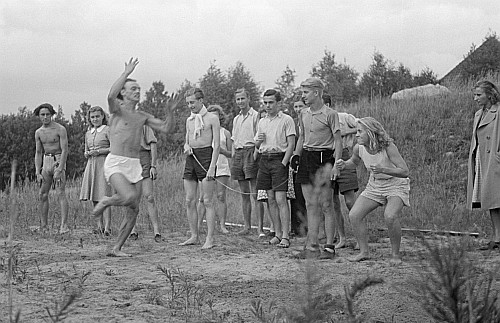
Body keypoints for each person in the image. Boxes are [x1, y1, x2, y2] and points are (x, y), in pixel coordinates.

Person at [92, 57, 177, 257]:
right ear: (124, 92)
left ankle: (116, 248)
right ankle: (106, 201)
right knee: (128, 196)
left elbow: (166, 128)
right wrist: (126, 74)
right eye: (133, 89)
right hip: (116, 163)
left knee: (134, 209)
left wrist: (171, 113)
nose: (138, 91)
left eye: (139, 89)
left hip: (135, 165)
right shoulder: (117, 111)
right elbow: (111, 95)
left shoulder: (143, 116)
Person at [336, 117, 410, 264]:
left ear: (370, 132)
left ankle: (395, 254)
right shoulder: (359, 147)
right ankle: (364, 252)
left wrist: (384, 169)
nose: (356, 135)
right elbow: (354, 162)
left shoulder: (388, 147)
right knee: (354, 215)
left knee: (390, 216)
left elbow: (404, 171)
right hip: (374, 185)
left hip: (396, 184)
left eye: (359, 131)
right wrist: (344, 164)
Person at [293, 78, 342, 259]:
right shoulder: (303, 113)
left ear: (316, 92)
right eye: (302, 92)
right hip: (307, 156)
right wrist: (296, 156)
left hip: (324, 158)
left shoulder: (331, 114)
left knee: (327, 204)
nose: (303, 96)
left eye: (305, 92)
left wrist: (336, 164)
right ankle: (312, 246)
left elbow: (338, 141)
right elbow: (302, 137)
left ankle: (329, 247)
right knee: (309, 204)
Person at [255, 89, 296, 248]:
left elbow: (291, 143)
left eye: (271, 102)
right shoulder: (262, 121)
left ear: (278, 103)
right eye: (265, 102)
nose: (267, 106)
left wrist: (284, 163)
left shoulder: (287, 120)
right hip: (265, 159)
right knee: (270, 198)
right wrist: (259, 141)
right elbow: (257, 145)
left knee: (281, 199)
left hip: (280, 158)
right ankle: (277, 233)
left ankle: (286, 235)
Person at [180, 88, 220, 249]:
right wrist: (186, 146)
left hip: (206, 156)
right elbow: (186, 140)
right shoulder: (189, 120)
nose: (190, 106)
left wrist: (212, 167)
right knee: (190, 199)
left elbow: (216, 145)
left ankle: (209, 238)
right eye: (188, 103)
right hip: (191, 157)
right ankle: (194, 235)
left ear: (201, 100)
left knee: (207, 200)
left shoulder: (212, 118)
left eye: (193, 102)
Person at [322, 94, 359, 249]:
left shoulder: (343, 117)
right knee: (333, 202)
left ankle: (359, 238)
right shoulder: (315, 119)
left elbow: (363, 126)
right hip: (326, 157)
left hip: (343, 154)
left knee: (350, 201)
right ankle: (342, 238)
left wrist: (343, 133)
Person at [467, 80, 500, 250]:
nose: (475, 98)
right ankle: (497, 237)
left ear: (489, 94)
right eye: (475, 95)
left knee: (497, 198)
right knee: (490, 199)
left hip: (494, 159)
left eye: (479, 95)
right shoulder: (479, 114)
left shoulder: (499, 111)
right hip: (482, 158)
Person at [231, 88, 265, 236]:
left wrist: (256, 154)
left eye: (242, 99)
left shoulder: (256, 116)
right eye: (238, 99)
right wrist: (233, 154)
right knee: (244, 193)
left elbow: (260, 137)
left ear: (248, 98)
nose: (240, 102)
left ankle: (260, 228)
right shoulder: (236, 118)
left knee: (255, 193)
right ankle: (247, 227)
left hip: (251, 151)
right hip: (238, 153)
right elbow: (234, 139)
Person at [34, 103, 69, 234]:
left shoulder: (60, 129)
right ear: (39, 116)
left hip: (58, 159)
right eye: (42, 115)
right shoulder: (38, 132)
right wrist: (37, 171)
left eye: (47, 114)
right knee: (42, 194)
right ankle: (44, 226)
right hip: (45, 160)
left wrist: (60, 168)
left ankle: (63, 226)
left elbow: (65, 149)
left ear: (52, 115)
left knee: (60, 192)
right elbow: (38, 152)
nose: (45, 117)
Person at [197, 104, 231, 234]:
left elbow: (231, 154)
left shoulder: (225, 133)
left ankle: (222, 225)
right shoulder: (202, 131)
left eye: (216, 116)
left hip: (221, 166)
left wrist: (221, 151)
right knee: (203, 197)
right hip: (206, 166)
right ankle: (198, 225)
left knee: (221, 196)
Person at [79, 106, 112, 236]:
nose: (95, 119)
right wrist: (87, 153)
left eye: (97, 116)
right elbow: (85, 150)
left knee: (105, 195)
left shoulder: (107, 130)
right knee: (94, 196)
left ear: (102, 116)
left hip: (103, 163)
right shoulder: (88, 133)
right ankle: (99, 226)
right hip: (91, 165)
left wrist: (99, 151)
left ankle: (108, 228)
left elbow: (114, 147)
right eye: (92, 117)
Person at [129, 125, 162, 242]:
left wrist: (153, 165)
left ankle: (156, 231)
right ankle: (132, 230)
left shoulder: (143, 126)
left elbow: (153, 145)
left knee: (149, 196)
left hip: (143, 159)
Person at [290, 98, 307, 236]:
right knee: (295, 195)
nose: (297, 109)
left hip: (308, 159)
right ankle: (296, 227)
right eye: (295, 106)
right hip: (295, 162)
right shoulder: (293, 124)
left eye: (300, 106)